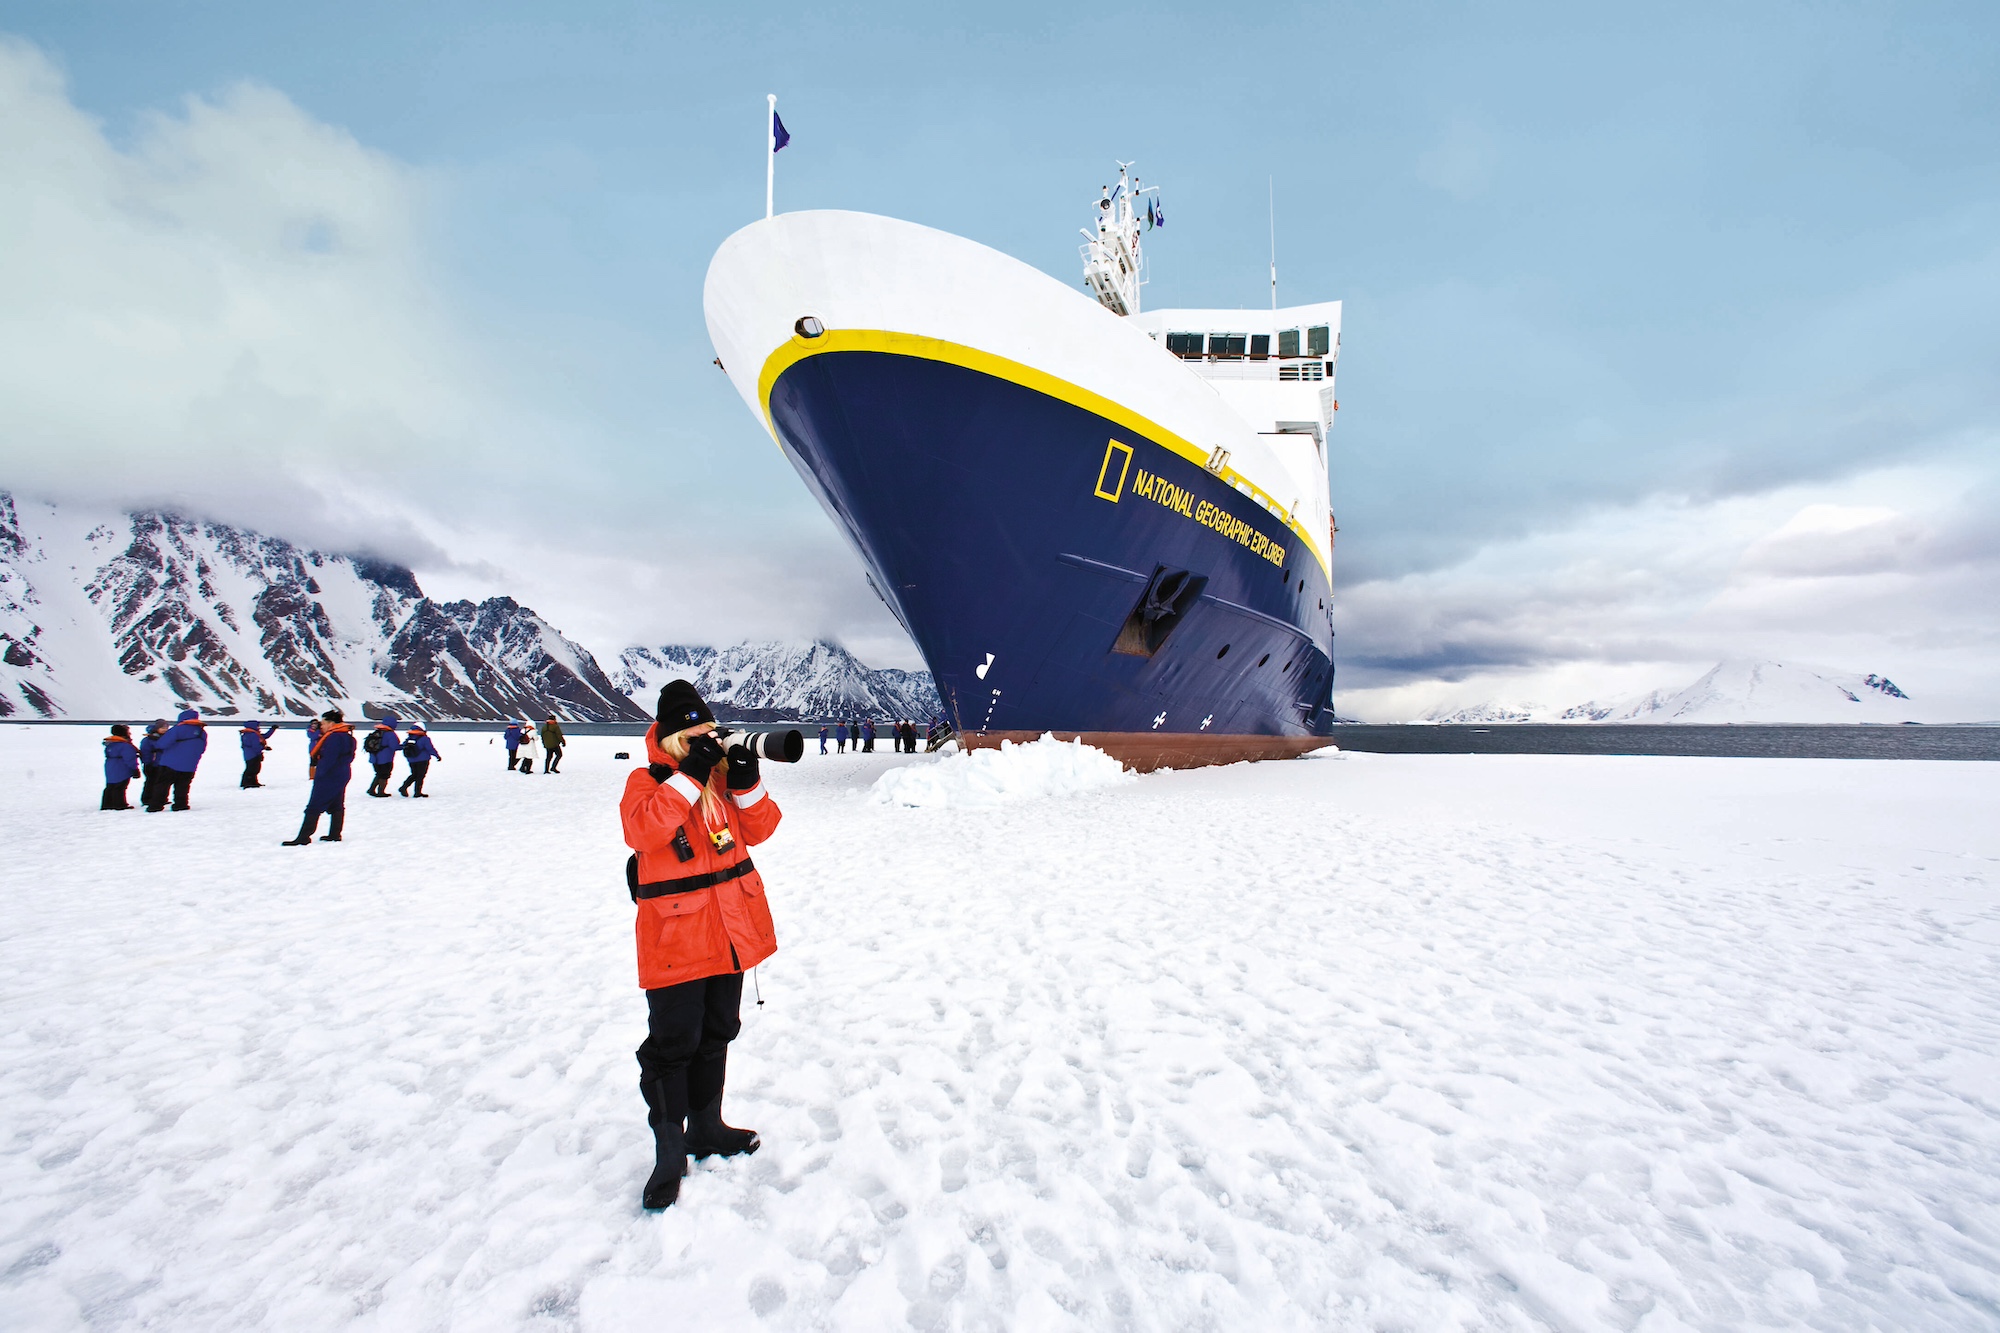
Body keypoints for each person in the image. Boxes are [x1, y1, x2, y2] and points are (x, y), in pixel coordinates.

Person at [621, 679, 780, 1210]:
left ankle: (706, 1127)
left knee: (718, 1031)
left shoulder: (719, 781)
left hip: (729, 932)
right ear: (673, 740)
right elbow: (644, 832)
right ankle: (670, 1153)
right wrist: (690, 775)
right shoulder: (646, 782)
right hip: (676, 938)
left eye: (711, 733)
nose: (708, 743)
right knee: (672, 1046)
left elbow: (762, 828)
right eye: (697, 735)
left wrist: (746, 775)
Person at [284, 709, 355, 844]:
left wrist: (320, 773)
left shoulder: (334, 737)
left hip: (330, 775)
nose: (321, 726)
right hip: (343, 773)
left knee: (314, 805)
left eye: (323, 723)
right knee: (336, 804)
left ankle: (304, 837)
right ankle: (335, 834)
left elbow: (329, 759)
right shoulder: (348, 736)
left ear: (331, 723)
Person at [148, 709, 208, 811]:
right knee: (183, 786)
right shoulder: (202, 733)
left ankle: (155, 806)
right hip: (190, 765)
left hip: (170, 763)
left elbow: (162, 744)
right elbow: (202, 749)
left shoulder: (177, 729)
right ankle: (181, 804)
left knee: (162, 785)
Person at [101, 724, 140, 810]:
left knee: (110, 786)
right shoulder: (125, 745)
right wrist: (135, 769)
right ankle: (120, 804)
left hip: (110, 766)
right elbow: (130, 758)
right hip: (121, 767)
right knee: (120, 786)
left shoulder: (110, 744)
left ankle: (107, 804)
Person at [398, 723, 442, 796]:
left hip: (411, 760)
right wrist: (437, 756)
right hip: (423, 760)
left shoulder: (409, 738)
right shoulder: (425, 739)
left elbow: (403, 746)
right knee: (420, 776)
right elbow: (430, 749)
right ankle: (417, 792)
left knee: (414, 775)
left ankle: (404, 787)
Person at [137, 719, 170, 810]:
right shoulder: (148, 740)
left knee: (162, 782)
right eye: (162, 727)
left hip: (163, 763)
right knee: (151, 782)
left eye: (166, 727)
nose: (164, 729)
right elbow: (145, 752)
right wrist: (148, 763)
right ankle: (147, 799)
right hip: (152, 764)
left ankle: (161, 798)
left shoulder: (167, 738)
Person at [364, 715, 400, 797]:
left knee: (378, 774)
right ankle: (381, 792)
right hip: (385, 759)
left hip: (374, 759)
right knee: (385, 775)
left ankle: (371, 790)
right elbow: (394, 746)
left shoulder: (377, 732)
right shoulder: (390, 734)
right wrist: (404, 746)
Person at [238, 720, 279, 788]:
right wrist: (263, 749)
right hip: (253, 754)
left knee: (252, 768)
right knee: (253, 769)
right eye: (257, 725)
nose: (259, 727)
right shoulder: (252, 734)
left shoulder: (247, 733)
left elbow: (264, 736)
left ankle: (251, 782)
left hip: (248, 754)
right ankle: (248, 783)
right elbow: (255, 746)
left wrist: (272, 729)